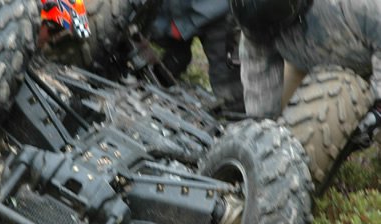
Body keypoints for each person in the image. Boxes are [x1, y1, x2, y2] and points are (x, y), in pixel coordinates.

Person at [231, 0, 381, 142]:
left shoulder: (358, 5)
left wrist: (377, 107)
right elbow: (258, 80)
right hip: (309, 65)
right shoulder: (255, 22)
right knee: (291, 135)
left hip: (370, 53)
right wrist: (261, 128)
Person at [151, 0, 245, 113]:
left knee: (230, 85)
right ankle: (168, 68)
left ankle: (237, 115)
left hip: (217, 12)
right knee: (172, 59)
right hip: (163, 13)